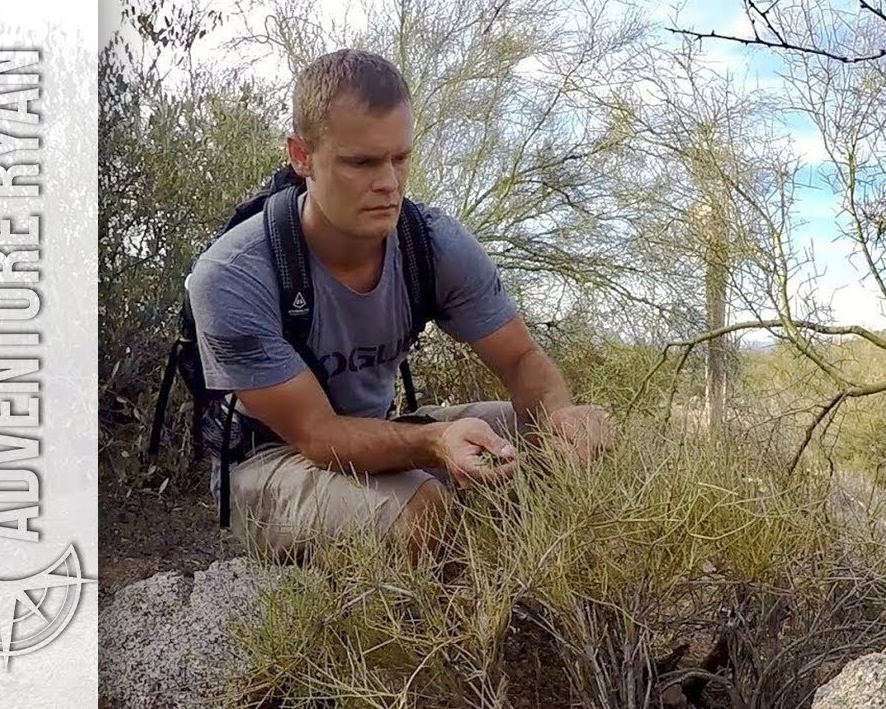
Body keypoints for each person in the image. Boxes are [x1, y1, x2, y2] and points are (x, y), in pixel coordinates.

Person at [186, 48, 613, 561]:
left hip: (380, 434)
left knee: (570, 442)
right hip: (272, 459)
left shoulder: (430, 243)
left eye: (400, 158)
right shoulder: (233, 274)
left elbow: (521, 359)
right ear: (302, 157)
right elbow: (319, 436)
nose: (388, 183)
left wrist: (561, 415)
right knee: (420, 512)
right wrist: (435, 443)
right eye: (361, 162)